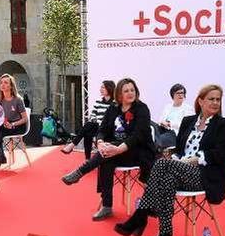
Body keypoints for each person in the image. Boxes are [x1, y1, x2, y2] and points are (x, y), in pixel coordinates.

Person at [115, 84, 225, 236]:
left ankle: (141, 216)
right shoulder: (188, 121)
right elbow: (179, 150)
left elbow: (220, 154)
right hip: (181, 171)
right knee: (167, 178)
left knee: (162, 164)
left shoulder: (224, 124)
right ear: (200, 101)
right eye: (211, 99)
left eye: (218, 99)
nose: (215, 103)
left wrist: (195, 158)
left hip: (205, 175)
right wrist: (177, 158)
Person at [61, 78, 156, 221]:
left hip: (138, 150)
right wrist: (100, 142)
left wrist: (118, 149)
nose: (130, 93)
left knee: (107, 155)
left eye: (132, 90)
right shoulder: (113, 108)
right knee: (106, 158)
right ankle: (107, 207)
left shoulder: (142, 109)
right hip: (116, 149)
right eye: (126, 91)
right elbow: (102, 129)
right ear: (119, 94)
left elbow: (138, 135)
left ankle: (80, 172)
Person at [61, 80, 115, 159]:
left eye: (103, 87)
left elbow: (111, 119)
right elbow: (93, 115)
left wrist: (98, 122)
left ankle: (73, 144)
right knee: (88, 131)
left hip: (107, 128)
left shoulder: (114, 103)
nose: (101, 89)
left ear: (109, 88)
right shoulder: (98, 102)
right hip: (96, 126)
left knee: (88, 127)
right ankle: (87, 158)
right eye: (101, 87)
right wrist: (95, 120)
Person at [0, 74, 28, 168]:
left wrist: (13, 124)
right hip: (5, 125)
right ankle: (0, 155)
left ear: (11, 86)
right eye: (1, 82)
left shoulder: (18, 100)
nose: (2, 84)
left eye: (6, 82)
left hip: (18, 126)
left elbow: (25, 119)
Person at [155, 83, 194, 151]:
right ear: (173, 95)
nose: (181, 95)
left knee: (157, 139)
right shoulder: (168, 107)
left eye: (182, 93)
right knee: (150, 124)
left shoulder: (188, 108)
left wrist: (170, 124)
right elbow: (160, 119)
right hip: (162, 129)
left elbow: (187, 125)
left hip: (174, 133)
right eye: (178, 93)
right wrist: (162, 122)